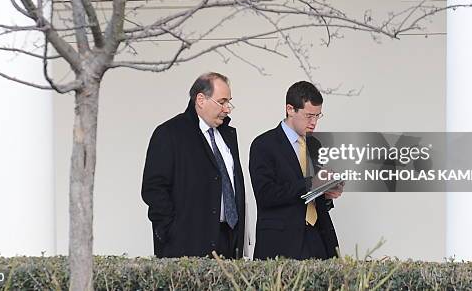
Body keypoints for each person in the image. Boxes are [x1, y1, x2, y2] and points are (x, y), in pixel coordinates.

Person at [141, 72, 245, 258]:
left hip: (227, 241)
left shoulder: (227, 136)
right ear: (201, 100)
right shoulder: (170, 133)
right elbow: (153, 188)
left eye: (229, 102)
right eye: (222, 102)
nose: (227, 109)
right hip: (186, 244)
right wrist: (170, 230)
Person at [250, 81, 343, 259]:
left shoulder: (314, 144)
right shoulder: (264, 144)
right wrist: (312, 184)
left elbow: (313, 197)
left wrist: (326, 192)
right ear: (290, 109)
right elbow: (266, 195)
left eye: (318, 116)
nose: (314, 122)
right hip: (282, 242)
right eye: (309, 116)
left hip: (319, 238)